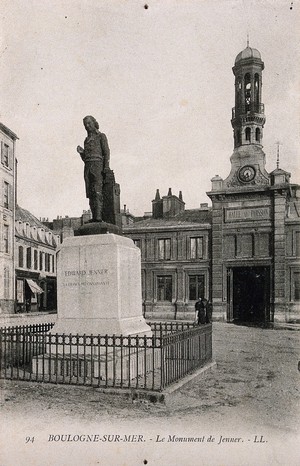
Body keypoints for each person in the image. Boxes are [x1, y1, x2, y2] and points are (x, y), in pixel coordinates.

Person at [77, 116, 110, 222]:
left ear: (94, 123)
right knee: (90, 193)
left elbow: (106, 152)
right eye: (85, 124)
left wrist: (106, 167)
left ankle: (99, 217)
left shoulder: (101, 136)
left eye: (89, 123)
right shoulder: (86, 140)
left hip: (98, 166)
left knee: (97, 191)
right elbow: (85, 158)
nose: (87, 126)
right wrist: (82, 153)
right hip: (87, 167)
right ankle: (94, 216)